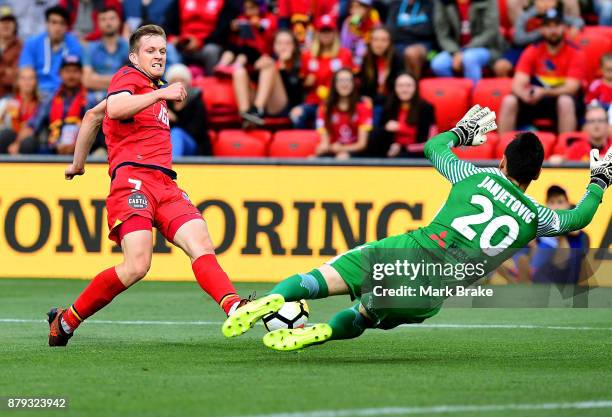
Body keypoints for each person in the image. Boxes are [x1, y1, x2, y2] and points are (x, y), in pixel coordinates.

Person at [222, 104, 611, 351]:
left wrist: (461, 133)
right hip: (432, 289)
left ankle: (272, 299)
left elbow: (433, 148)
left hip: (407, 251)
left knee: (319, 278)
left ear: (504, 164)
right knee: (363, 316)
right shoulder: (535, 217)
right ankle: (322, 331)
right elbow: (577, 219)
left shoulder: (470, 176)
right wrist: (598, 180)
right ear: (537, 175)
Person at [47, 25, 249, 347]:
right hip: (134, 182)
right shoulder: (129, 78)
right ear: (134, 56)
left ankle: (234, 306)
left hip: (165, 183)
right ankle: (66, 321)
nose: (158, 56)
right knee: (137, 265)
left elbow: (92, 116)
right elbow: (113, 108)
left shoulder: (151, 87)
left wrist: (78, 164)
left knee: (201, 242)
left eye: (163, 51)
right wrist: (160, 94)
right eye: (151, 51)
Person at [498, 6, 586, 134]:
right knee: (509, 100)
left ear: (564, 27)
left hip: (560, 99)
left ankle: (565, 147)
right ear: (542, 29)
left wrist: (543, 92)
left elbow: (571, 88)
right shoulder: (532, 50)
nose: (553, 30)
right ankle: (503, 147)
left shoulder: (575, 53)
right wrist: (524, 95)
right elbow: (517, 83)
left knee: (565, 101)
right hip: (536, 100)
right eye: (548, 26)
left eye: (557, 25)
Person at [14, 55, 91, 155]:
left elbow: (94, 129)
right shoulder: (50, 100)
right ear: (60, 74)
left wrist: (77, 144)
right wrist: (17, 143)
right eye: (67, 71)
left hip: (83, 152)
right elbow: (32, 126)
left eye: (75, 71)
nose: (71, 75)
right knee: (28, 143)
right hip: (53, 151)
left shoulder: (90, 100)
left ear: (81, 74)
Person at [232, 29, 304, 126]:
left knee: (270, 65)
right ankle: (245, 114)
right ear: (274, 46)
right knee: (239, 72)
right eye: (279, 43)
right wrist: (255, 69)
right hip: (264, 101)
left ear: (294, 47)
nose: (283, 46)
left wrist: (283, 67)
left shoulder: (300, 64)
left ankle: (257, 110)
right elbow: (257, 83)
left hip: (283, 107)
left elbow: (296, 97)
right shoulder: (268, 60)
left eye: (288, 43)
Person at [494, 0, 584, 77]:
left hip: (548, 49)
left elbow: (578, 21)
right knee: (500, 67)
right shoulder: (526, 16)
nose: (545, 4)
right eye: (541, 0)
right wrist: (541, 32)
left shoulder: (556, 15)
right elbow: (518, 38)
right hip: (523, 48)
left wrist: (576, 26)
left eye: (549, 0)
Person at [293, 14, 354, 129]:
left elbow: (352, 81)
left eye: (329, 31)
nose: (326, 35)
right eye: (323, 31)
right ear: (317, 33)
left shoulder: (345, 54)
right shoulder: (307, 55)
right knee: (296, 115)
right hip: (313, 101)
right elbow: (301, 84)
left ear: (335, 33)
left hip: (336, 102)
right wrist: (306, 82)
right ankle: (305, 145)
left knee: (322, 117)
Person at [431, 0, 506, 83]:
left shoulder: (487, 1)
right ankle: (456, 92)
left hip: (487, 48)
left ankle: (474, 92)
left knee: (469, 58)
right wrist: (455, 52)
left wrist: (464, 50)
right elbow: (443, 36)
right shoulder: (443, 2)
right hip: (455, 49)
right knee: (438, 64)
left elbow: (491, 32)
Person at [18, 6, 83, 100]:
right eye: (53, 22)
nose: (57, 27)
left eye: (62, 23)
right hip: (37, 94)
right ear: (46, 24)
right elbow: (26, 71)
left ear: (66, 27)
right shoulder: (32, 43)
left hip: (64, 94)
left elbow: (77, 75)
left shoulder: (74, 45)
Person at [164, 0, 242, 75]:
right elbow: (167, 24)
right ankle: (172, 83)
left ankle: (211, 83)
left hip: (207, 44)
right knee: (169, 48)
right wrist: (175, 39)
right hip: (182, 44)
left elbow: (224, 30)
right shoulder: (180, 1)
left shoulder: (224, 2)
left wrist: (200, 42)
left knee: (211, 50)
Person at [372, 72, 435, 158]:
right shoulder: (389, 106)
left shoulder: (426, 108)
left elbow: (430, 144)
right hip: (390, 152)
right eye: (400, 86)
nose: (404, 90)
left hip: (416, 154)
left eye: (408, 86)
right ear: (395, 88)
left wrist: (402, 145)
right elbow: (380, 134)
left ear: (415, 88)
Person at [315, 68, 373, 159]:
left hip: (355, 152)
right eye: (341, 80)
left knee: (343, 157)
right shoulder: (324, 107)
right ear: (334, 84)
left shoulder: (364, 106)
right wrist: (324, 147)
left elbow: (362, 144)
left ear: (353, 84)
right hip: (333, 149)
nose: (344, 84)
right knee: (312, 159)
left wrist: (342, 148)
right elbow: (325, 142)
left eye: (348, 80)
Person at [213, 0, 278, 75]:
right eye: (246, 8)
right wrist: (234, 30)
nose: (249, 11)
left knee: (245, 51)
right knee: (231, 48)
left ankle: (236, 68)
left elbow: (271, 39)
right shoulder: (242, 18)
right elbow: (235, 39)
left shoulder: (269, 19)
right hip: (243, 48)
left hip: (260, 53)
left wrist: (260, 27)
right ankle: (222, 65)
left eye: (252, 8)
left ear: (260, 7)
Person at [358, 26, 404, 125]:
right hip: (373, 102)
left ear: (390, 43)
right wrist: (364, 97)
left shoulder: (398, 59)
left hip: (392, 103)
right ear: (370, 42)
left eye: (384, 40)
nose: (379, 44)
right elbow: (363, 86)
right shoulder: (366, 59)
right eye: (376, 40)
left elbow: (398, 87)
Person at [83, 7, 129, 103]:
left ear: (119, 21)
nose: (108, 23)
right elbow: (87, 81)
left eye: (112, 18)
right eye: (103, 19)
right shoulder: (90, 48)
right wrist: (118, 80)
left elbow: (129, 80)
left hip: (122, 97)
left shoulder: (129, 48)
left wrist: (96, 78)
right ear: (98, 23)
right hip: (95, 99)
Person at [166, 63, 212, 157]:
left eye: (181, 80)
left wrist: (174, 120)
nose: (178, 83)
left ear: (188, 83)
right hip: (167, 146)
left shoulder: (196, 103)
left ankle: (173, 167)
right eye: (174, 80)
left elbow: (195, 131)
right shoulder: (165, 103)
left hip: (195, 147)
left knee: (177, 133)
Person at [385, 0, 435, 79]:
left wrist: (403, 28)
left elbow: (428, 31)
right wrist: (415, 29)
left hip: (425, 46)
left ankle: (413, 86)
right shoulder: (395, 4)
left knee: (412, 53)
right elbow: (391, 30)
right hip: (399, 43)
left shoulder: (428, 5)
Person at [0, 67, 39, 154]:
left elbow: (32, 128)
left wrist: (17, 143)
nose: (27, 82)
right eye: (23, 78)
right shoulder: (8, 101)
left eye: (31, 78)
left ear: (36, 82)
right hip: (10, 136)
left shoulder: (40, 104)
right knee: (6, 134)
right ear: (17, 82)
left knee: (28, 142)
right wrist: (3, 114)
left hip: (30, 138)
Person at [339, 0, 381, 68]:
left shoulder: (375, 22)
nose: (357, 10)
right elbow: (344, 46)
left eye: (360, 7)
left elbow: (377, 42)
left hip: (369, 59)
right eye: (354, 7)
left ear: (368, 9)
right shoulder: (348, 22)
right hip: (352, 58)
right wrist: (352, 26)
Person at [585, 53, 612, 127]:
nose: (611, 73)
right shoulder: (596, 85)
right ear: (601, 69)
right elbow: (589, 102)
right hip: (600, 112)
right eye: (608, 70)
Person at [0, 14, 21, 98]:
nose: (6, 24)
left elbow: (14, 78)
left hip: (9, 95)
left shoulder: (20, 47)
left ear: (15, 26)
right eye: (2, 21)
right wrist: (5, 70)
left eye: (9, 21)